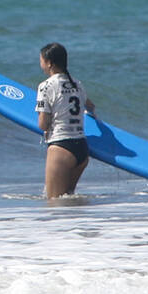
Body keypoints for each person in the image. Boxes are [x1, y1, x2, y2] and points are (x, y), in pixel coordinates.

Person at [35, 42, 96, 199]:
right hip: (82, 149)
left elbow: (43, 124)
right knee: (69, 200)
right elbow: (90, 106)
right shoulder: (77, 83)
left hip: (61, 148)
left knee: (54, 203)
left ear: (49, 63)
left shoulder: (45, 86)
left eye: (41, 60)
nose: (40, 63)